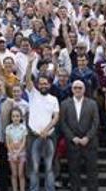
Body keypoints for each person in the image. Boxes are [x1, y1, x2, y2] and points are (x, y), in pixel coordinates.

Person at [25, 54, 59, 191]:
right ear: (38, 85)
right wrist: (30, 64)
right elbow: (27, 79)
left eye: (46, 83)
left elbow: (56, 117)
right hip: (34, 136)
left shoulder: (53, 99)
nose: (43, 85)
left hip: (49, 137)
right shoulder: (33, 94)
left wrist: (46, 130)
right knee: (34, 166)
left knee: (49, 166)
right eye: (41, 83)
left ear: (49, 85)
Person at [59, 80, 100, 191]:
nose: (77, 90)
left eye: (80, 88)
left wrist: (87, 137)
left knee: (92, 171)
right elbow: (63, 123)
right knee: (73, 171)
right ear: (72, 89)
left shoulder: (92, 103)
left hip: (89, 143)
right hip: (73, 143)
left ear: (84, 89)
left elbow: (96, 123)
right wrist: (73, 137)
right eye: (75, 88)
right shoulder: (64, 104)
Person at [6, 107, 28, 191]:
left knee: (21, 174)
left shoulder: (23, 128)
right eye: (14, 116)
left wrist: (18, 153)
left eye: (17, 116)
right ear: (11, 118)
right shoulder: (8, 128)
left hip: (21, 153)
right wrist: (12, 153)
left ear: (21, 117)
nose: (15, 118)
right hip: (11, 153)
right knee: (14, 174)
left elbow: (23, 142)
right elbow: (8, 142)